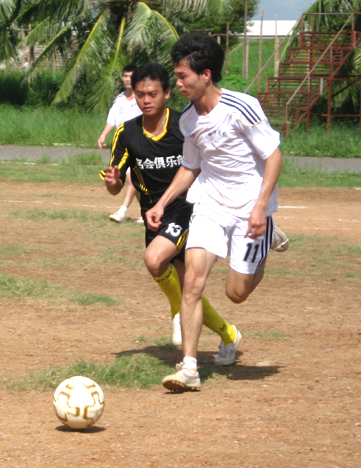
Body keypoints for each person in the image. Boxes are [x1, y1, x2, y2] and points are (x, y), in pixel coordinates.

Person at [145, 33, 287, 392]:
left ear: (205, 74)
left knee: (236, 293)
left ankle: (268, 236)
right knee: (192, 281)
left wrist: (260, 209)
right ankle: (190, 368)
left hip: (250, 210)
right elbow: (191, 167)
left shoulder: (242, 107)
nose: (178, 84)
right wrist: (162, 203)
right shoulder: (187, 121)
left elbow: (274, 157)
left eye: (182, 76)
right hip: (209, 204)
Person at [103, 62, 240, 360]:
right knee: (188, 289)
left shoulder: (184, 125)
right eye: (140, 95)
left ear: (166, 93)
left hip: (189, 209)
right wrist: (113, 182)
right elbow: (115, 187)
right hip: (153, 215)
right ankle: (229, 334)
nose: (146, 100)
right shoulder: (127, 133)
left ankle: (176, 313)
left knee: (154, 260)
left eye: (152, 94)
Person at [98, 65, 143, 224]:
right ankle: (147, 212)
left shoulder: (142, 97)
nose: (127, 79)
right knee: (133, 180)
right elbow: (112, 119)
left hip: (138, 143)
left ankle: (122, 212)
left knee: (131, 177)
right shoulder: (119, 99)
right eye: (125, 76)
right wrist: (104, 134)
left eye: (130, 76)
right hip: (122, 144)